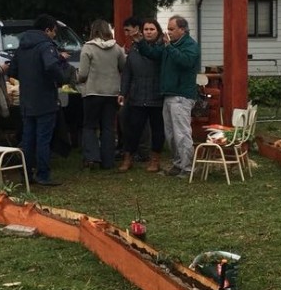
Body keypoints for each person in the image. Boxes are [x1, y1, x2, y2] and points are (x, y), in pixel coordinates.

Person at [134, 15, 200, 178]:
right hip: (169, 94)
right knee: (170, 134)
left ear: (182, 30)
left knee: (181, 133)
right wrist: (140, 41)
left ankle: (188, 168)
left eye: (171, 29)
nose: (168, 32)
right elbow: (152, 53)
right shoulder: (167, 45)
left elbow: (185, 62)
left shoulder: (190, 45)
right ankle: (178, 164)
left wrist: (169, 47)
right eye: (168, 29)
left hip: (182, 95)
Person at [8, 14, 67, 186]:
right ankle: (43, 174)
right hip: (45, 100)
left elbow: (12, 70)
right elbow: (51, 66)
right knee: (43, 138)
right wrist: (61, 78)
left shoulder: (22, 46)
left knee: (28, 138)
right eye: (54, 31)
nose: (54, 35)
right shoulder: (46, 46)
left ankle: (26, 173)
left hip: (26, 100)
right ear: (47, 30)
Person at [77, 19, 126, 170]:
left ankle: (92, 158)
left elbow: (83, 73)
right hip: (111, 93)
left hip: (92, 92)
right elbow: (123, 67)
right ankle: (108, 161)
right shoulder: (117, 48)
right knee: (108, 128)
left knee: (90, 126)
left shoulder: (88, 47)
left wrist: (76, 78)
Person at [119, 17, 165, 172]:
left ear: (157, 31)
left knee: (157, 129)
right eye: (146, 29)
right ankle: (128, 158)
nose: (149, 32)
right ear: (141, 30)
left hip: (157, 94)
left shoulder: (162, 47)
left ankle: (155, 160)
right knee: (133, 128)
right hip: (137, 94)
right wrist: (123, 92)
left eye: (152, 29)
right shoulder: (134, 48)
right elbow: (127, 72)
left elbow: (153, 55)